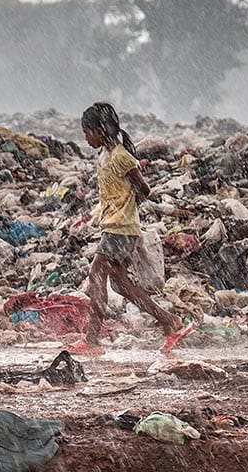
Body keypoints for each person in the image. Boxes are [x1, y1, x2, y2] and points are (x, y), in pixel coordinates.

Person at [65, 102, 195, 356]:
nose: (85, 138)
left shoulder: (122, 157)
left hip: (121, 228)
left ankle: (91, 340)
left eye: (87, 132)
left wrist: (126, 206)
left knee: (96, 275)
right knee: (121, 286)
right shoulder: (104, 155)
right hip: (114, 226)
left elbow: (144, 189)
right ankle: (168, 322)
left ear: (101, 130)